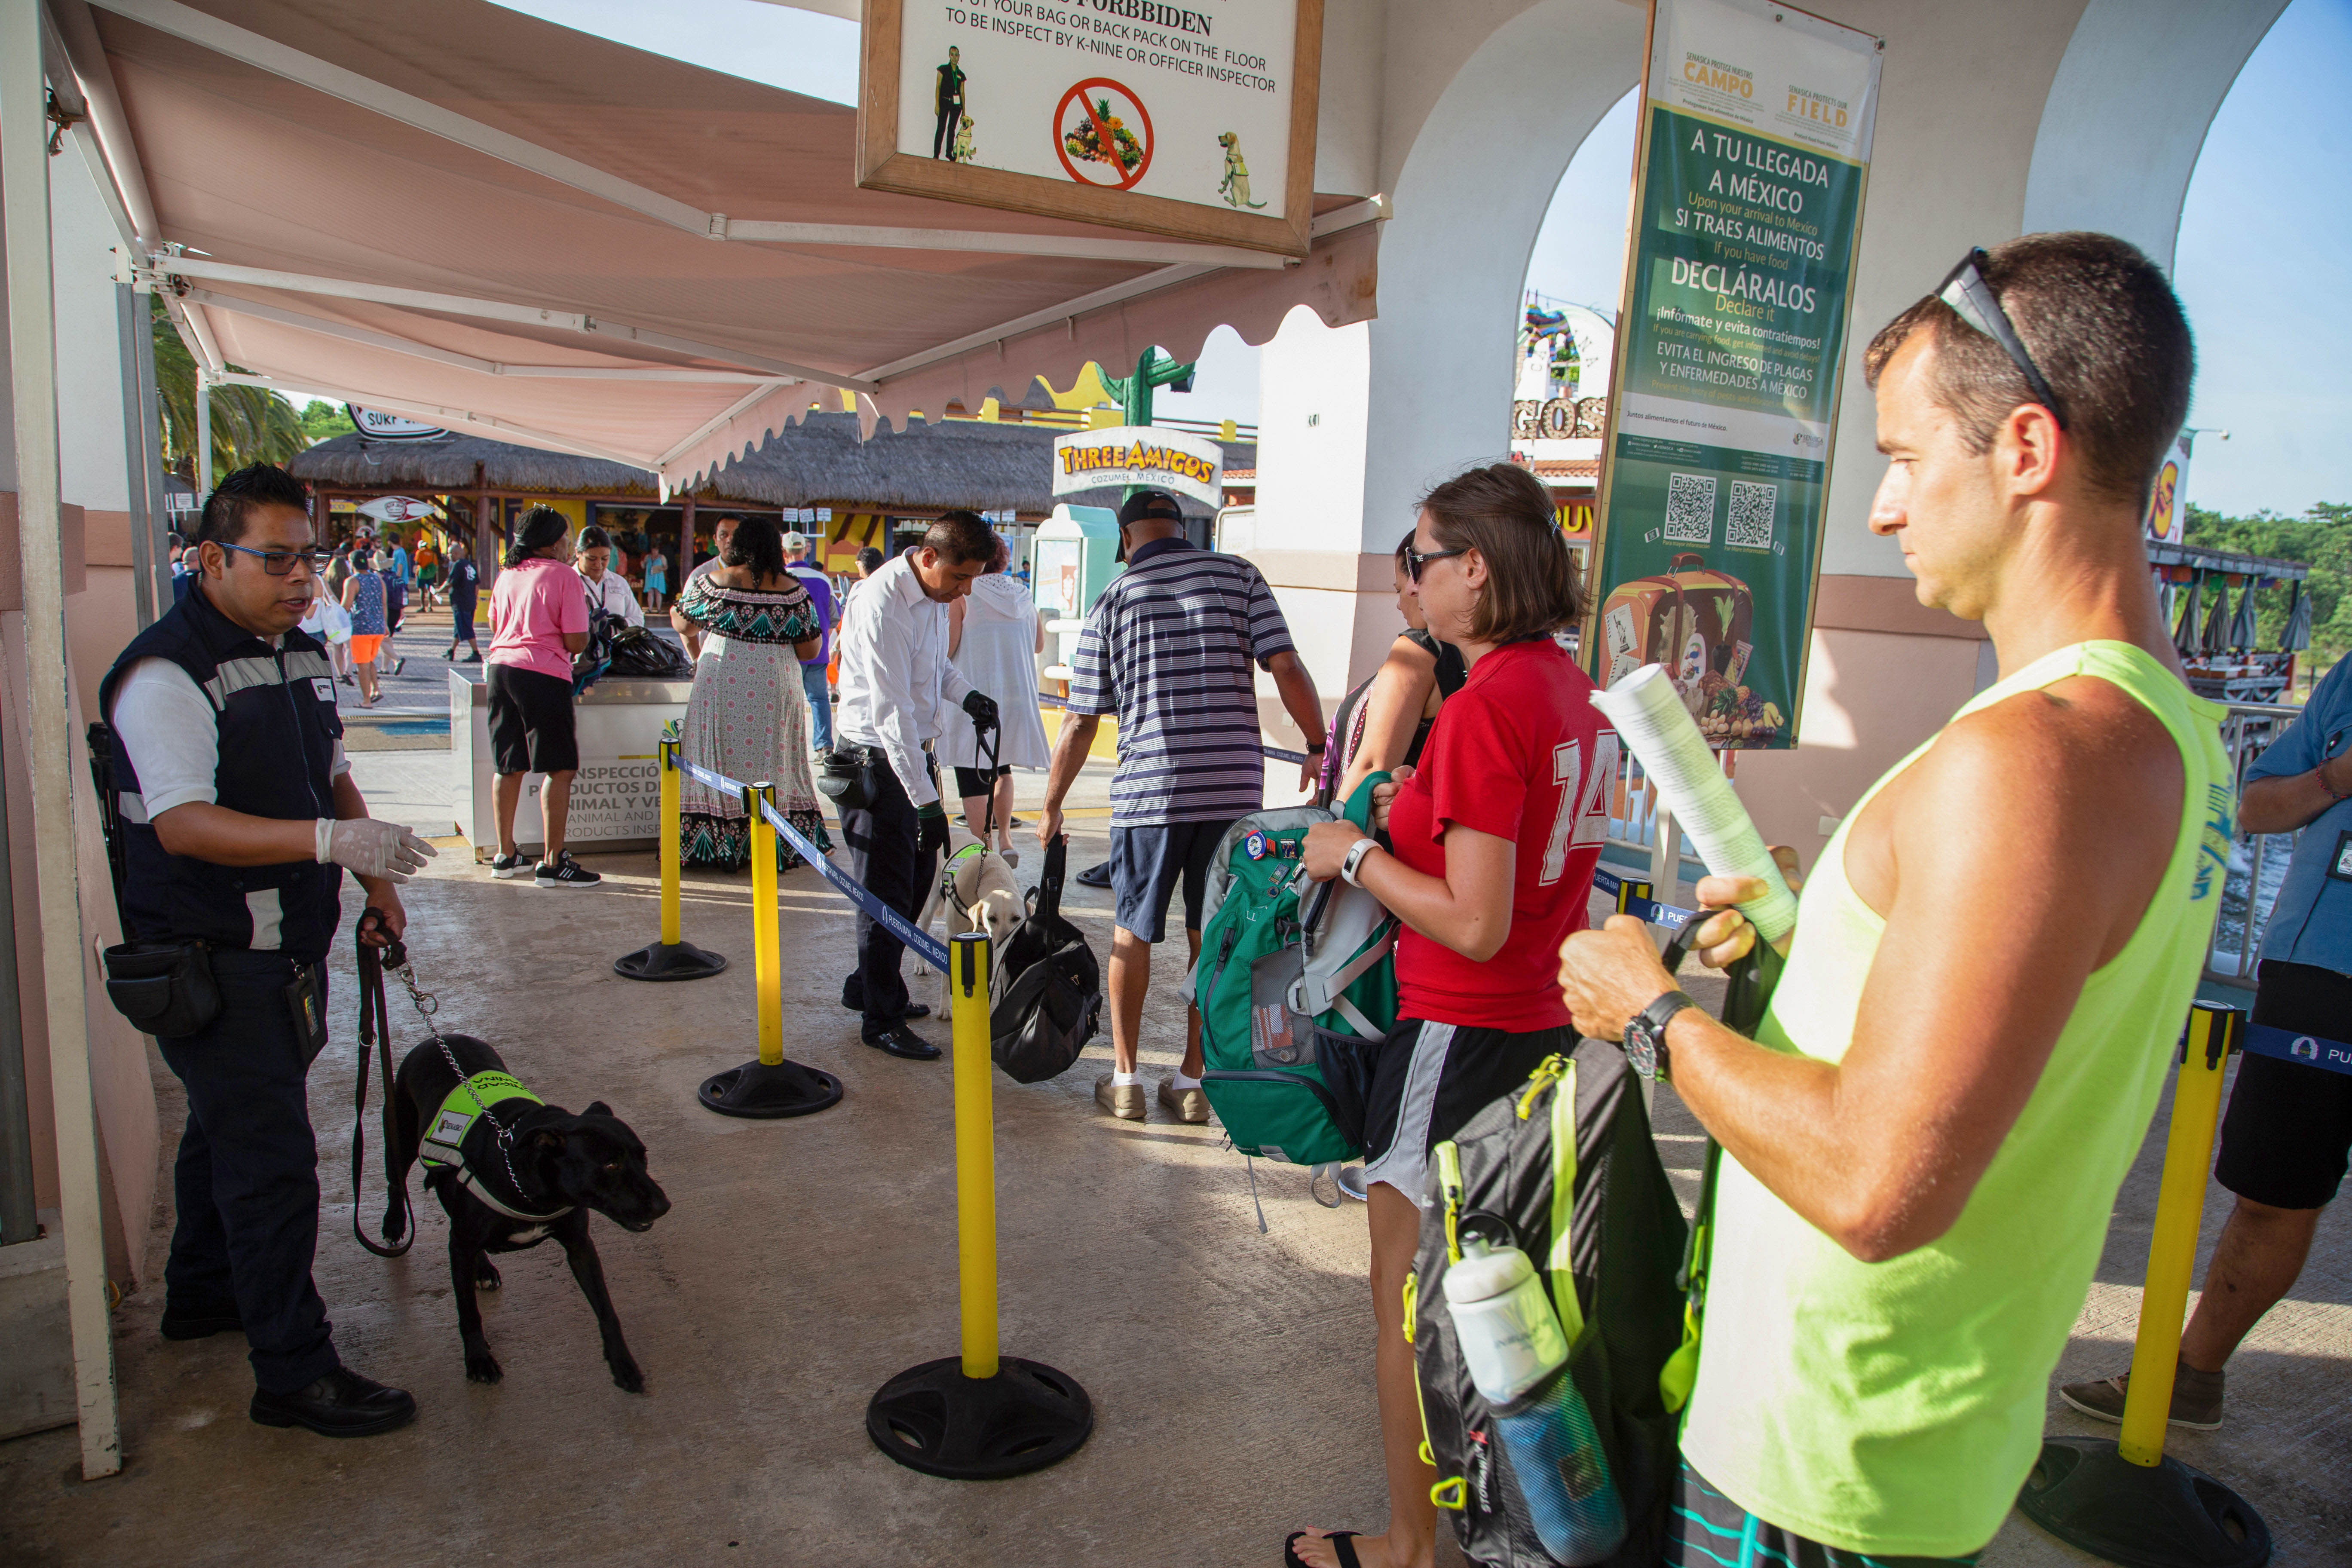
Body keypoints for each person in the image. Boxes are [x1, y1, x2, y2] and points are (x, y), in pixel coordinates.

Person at [1554, 234, 2227, 1567]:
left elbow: (1878, 1180)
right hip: (1923, 1431)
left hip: (1827, 1465)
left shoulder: (2029, 759)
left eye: (1909, 457)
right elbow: (2017, 1028)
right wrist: (1823, 936)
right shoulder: (2163, 731)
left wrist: (1650, 1017)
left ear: (2025, 450)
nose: (1882, 504)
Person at [1285, 465, 1610, 1568]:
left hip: (1455, 1031)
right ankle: (1517, 1522)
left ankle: (1410, 1545)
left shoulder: (1481, 711)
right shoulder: (1567, 694)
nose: (1411, 581)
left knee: (1404, 1305)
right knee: (1502, 1295)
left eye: (1422, 560)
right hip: (1540, 1036)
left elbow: (1472, 922)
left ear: (1474, 567)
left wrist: (1357, 853)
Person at [100, 463, 432, 1438]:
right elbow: (183, 824)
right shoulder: (167, 674)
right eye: (275, 558)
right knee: (272, 1163)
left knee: (224, 1131)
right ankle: (292, 1371)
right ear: (210, 558)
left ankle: (204, 1292)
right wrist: (328, 847)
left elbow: (331, 774)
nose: (300, 578)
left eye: (309, 558)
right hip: (213, 956)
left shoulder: (293, 651)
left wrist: (373, 880)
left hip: (285, 947)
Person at [2061, 652, 2352, 1431]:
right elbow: (2255, 807)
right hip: (2317, 973)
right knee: (2269, 1191)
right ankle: (2186, 1376)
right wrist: (2339, 777)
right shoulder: (2351, 676)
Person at [1037, 488, 1324, 1124]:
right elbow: (1284, 663)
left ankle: (1126, 1080)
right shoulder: (1239, 576)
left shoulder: (1114, 599)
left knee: (1131, 930)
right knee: (1212, 935)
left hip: (1150, 792)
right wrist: (1316, 743)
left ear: (1127, 538)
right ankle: (1193, 1080)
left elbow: (1081, 721)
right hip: (1230, 793)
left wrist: (1052, 804)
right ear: (1180, 527)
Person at [833, 512, 1001, 1060]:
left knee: (913, 884)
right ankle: (879, 1018)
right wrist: (925, 802)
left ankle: (871, 986)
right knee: (884, 893)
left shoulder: (931, 598)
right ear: (928, 558)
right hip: (877, 762)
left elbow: (933, 672)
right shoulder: (882, 602)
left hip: (911, 759)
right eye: (960, 577)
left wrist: (968, 695)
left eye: (972, 578)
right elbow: (891, 713)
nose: (965, 589)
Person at [672, 518, 826, 870]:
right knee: (774, 761)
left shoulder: (714, 583)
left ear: (738, 546)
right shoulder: (793, 591)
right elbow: (809, 651)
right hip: (776, 685)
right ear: (776, 548)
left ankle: (714, 845)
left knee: (716, 758)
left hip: (721, 680)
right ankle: (770, 843)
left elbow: (683, 624)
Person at [485, 505, 600, 888]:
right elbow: (576, 640)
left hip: (500, 671)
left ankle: (505, 855)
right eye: (566, 537)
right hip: (542, 673)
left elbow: (493, 623)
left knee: (508, 765)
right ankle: (552, 863)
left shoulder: (507, 575)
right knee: (560, 768)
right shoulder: (565, 576)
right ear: (554, 542)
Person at [1322, 530, 1468, 807]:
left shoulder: (1417, 650)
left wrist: (1331, 827)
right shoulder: (1467, 653)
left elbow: (1372, 766)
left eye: (1400, 589)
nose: (1403, 601)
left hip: (1374, 834)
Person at [940, 533, 1051, 861]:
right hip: (1014, 697)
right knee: (1002, 769)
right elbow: (1039, 645)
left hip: (974, 696)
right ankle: (1005, 839)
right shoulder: (1023, 596)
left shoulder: (964, 596)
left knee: (971, 772)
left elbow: (948, 649)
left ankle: (984, 848)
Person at [784, 531, 837, 754]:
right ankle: (824, 745)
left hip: (788, 653)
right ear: (806, 549)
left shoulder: (780, 578)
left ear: (784, 552)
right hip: (818, 651)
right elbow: (835, 616)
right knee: (819, 699)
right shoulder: (823, 579)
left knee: (787, 702)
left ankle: (787, 747)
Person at [671, 514, 740, 659]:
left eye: (736, 535)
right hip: (714, 661)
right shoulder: (701, 575)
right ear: (715, 540)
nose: (730, 540)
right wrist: (697, 660)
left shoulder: (760, 574)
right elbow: (685, 621)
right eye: (724, 535)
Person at [340, 547, 388, 708]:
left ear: (351, 564)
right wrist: (385, 624)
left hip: (361, 629)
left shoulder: (352, 581)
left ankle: (366, 701)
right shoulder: (378, 579)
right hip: (378, 628)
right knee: (370, 661)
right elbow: (384, 604)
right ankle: (376, 690)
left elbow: (346, 606)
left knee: (362, 666)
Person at [575, 524, 646, 627]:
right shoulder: (567, 582)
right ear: (578, 553)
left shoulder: (619, 582)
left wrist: (625, 624)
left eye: (605, 559)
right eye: (592, 559)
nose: (599, 564)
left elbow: (638, 619)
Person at [443, 536, 481, 661]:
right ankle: (451, 651)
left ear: (456, 553)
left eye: (449, 553)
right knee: (459, 628)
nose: (448, 556)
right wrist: (474, 598)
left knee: (466, 627)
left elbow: (450, 582)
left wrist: (437, 591)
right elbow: (477, 585)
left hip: (461, 603)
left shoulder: (458, 565)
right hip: (470, 602)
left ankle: (476, 653)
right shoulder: (470, 565)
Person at [643, 542, 669, 613]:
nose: (655, 552)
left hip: (658, 576)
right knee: (650, 592)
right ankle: (650, 609)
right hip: (650, 576)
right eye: (653, 550)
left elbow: (666, 567)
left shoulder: (662, 557)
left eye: (656, 550)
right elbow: (644, 566)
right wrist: (642, 564)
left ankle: (659, 609)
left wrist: (660, 569)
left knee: (658, 592)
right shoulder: (648, 557)